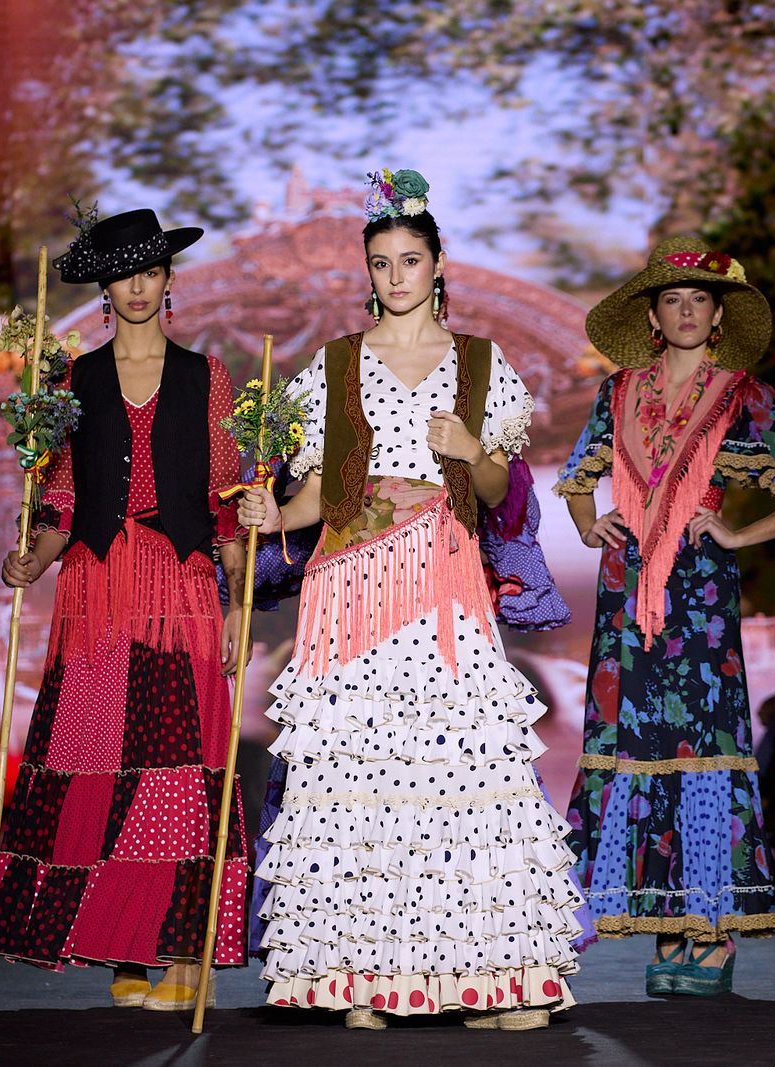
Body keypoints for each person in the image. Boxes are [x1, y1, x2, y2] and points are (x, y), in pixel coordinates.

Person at [237, 169, 582, 1032]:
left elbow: (502, 488)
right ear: (369, 271)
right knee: (359, 770)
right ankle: (363, 976)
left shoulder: (480, 363)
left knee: (464, 767)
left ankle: (495, 973)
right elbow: (317, 490)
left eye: (409, 260)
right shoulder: (333, 366)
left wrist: (471, 447)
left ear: (437, 265)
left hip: (444, 571)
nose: (395, 276)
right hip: (349, 581)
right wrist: (273, 512)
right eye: (382, 263)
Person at [0, 209, 251, 1012]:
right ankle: (121, 947)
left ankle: (179, 949)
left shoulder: (209, 378)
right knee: (103, 764)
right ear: (105, 286)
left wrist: (236, 605)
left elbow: (228, 505)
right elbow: (62, 503)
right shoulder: (75, 382)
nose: (137, 285)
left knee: (176, 767)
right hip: (98, 590)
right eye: (123, 272)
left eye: (150, 270)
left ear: (169, 280)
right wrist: (30, 555)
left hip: (181, 588)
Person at [555, 236, 775, 995]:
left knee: (703, 745)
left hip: (700, 590)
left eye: (699, 300)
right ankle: (670, 919)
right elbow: (577, 477)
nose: (685, 311)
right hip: (627, 590)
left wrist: (738, 530)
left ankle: (709, 928)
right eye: (672, 299)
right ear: (653, 314)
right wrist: (587, 524)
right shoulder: (618, 394)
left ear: (717, 316)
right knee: (637, 744)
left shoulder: (743, 394)